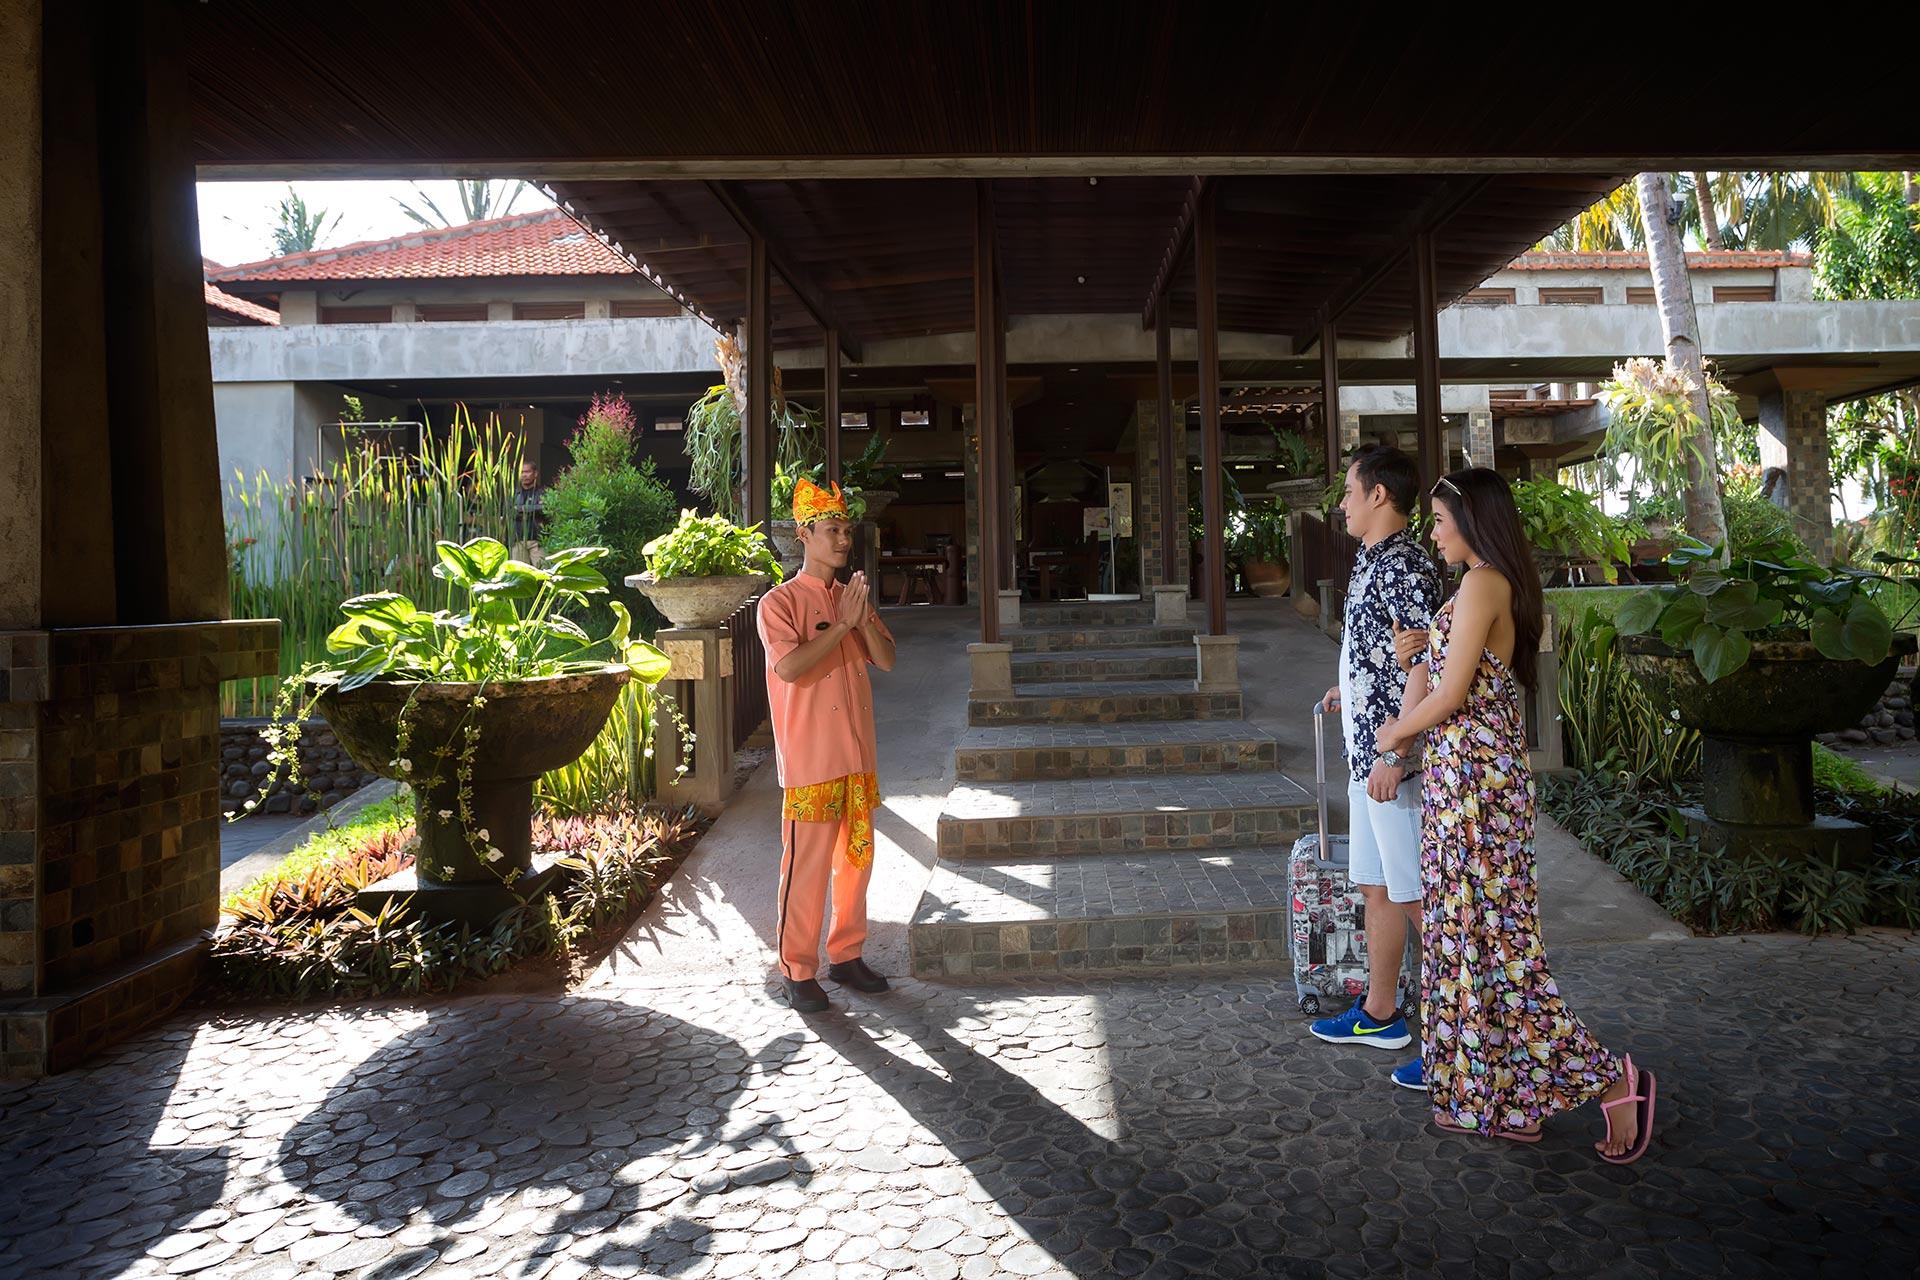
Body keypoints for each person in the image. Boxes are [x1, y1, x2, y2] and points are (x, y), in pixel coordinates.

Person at [1379, 467, 1657, 1162]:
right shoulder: (1474, 586)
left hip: (1477, 788)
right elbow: (1444, 682)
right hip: (1461, 785)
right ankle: (1507, 1101)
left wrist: (1392, 736)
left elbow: (1449, 699)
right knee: (1473, 943)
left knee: (1497, 949)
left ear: (1473, 522)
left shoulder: (1484, 583)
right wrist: (1415, 659)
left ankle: (1612, 1081)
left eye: (1441, 521)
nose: (1433, 532)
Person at [1309, 444, 1441, 1092]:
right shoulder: (1370, 560)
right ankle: (1382, 1014)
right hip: (1369, 752)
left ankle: (1462, 1046)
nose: (1343, 504)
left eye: (1350, 491)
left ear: (1379, 496)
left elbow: (1427, 662)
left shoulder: (1406, 564)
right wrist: (1353, 690)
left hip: (1396, 764)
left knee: (1420, 899)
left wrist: (1396, 751)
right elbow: (1388, 654)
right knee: (1380, 887)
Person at [756, 477, 897, 1013]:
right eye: (833, 530)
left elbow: (885, 659)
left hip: (857, 755)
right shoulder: (779, 603)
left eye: (846, 531)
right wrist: (841, 627)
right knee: (806, 867)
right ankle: (797, 968)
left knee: (856, 860)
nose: (843, 540)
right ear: (804, 533)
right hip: (811, 759)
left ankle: (847, 954)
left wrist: (859, 623)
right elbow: (790, 667)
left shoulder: (851, 596)